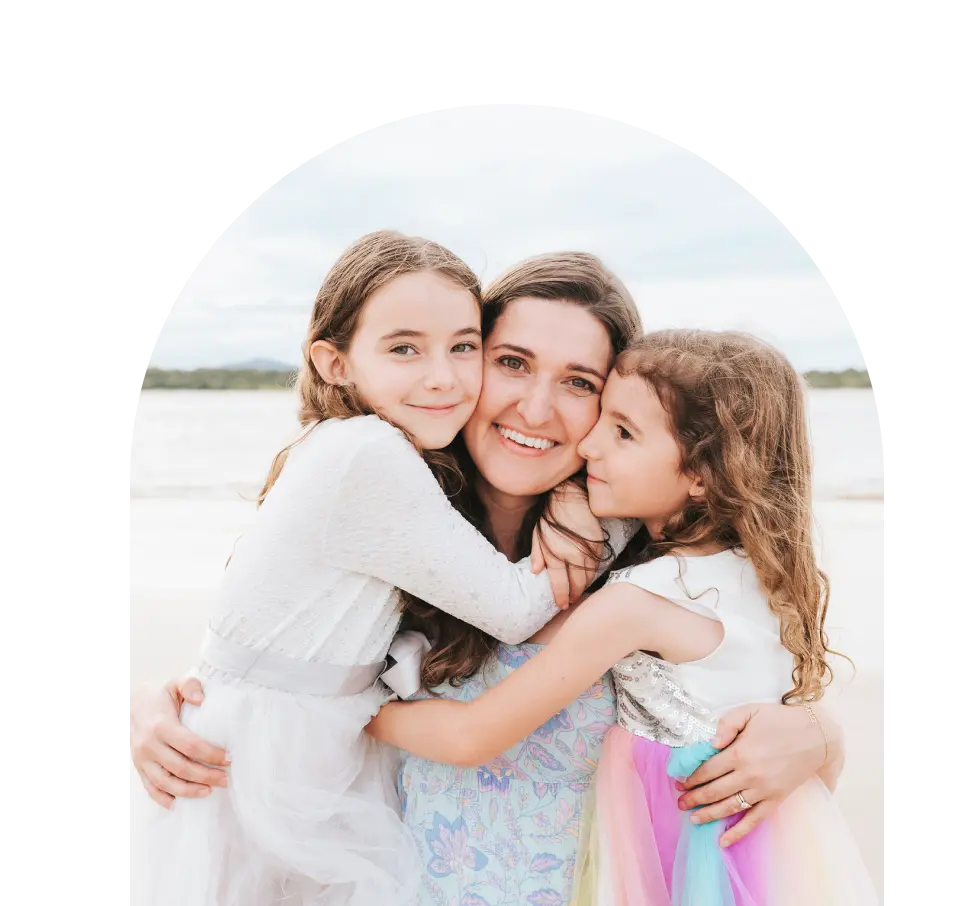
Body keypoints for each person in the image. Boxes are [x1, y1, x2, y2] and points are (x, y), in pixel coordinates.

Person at [130, 254, 848, 906]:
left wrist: (817, 735)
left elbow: (738, 724)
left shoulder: (643, 559)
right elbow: (261, 652)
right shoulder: (393, 531)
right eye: (511, 362)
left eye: (578, 384)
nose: (536, 409)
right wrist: (155, 711)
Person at [131, 231, 611, 906]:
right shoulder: (372, 459)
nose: (443, 376)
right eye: (404, 348)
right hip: (271, 774)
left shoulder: (383, 464)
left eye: (463, 347)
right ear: (335, 363)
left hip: (303, 765)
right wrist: (589, 508)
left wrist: (817, 732)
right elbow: (511, 607)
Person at [368, 329, 878, 905]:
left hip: (675, 848)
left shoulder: (635, 602)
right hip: (778, 855)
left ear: (701, 475)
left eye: (623, 433)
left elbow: (471, 735)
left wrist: (359, 714)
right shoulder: (764, 576)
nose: (589, 447)